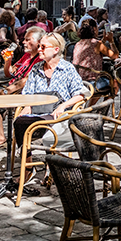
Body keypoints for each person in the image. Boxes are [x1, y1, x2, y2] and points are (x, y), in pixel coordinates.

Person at [13, 33, 92, 192]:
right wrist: (26, 106)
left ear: (56, 50)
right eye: (40, 46)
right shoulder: (36, 68)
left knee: (49, 126)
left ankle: (54, 165)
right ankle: (28, 168)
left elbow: (81, 93)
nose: (39, 50)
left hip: (59, 114)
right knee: (19, 122)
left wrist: (63, 106)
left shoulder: (67, 68)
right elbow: (28, 93)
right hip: (38, 112)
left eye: (43, 47)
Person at [73, 19, 119, 93]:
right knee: (115, 83)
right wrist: (111, 41)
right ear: (94, 29)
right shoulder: (97, 44)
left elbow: (95, 51)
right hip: (93, 82)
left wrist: (104, 39)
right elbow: (115, 56)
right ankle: (105, 104)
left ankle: (92, 104)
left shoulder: (78, 44)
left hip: (79, 80)